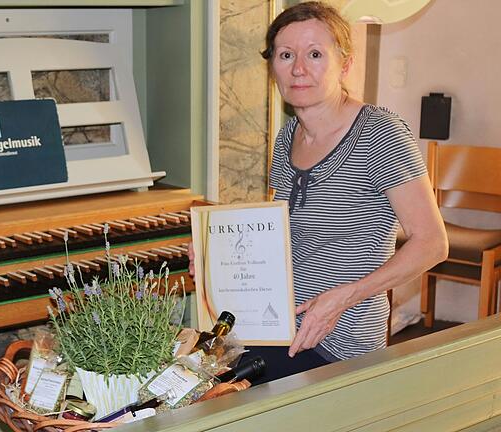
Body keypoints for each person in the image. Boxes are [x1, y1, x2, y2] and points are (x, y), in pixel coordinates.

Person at [191, 1, 448, 384]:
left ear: (344, 64)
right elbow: (281, 235)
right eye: (285, 55)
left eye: (314, 54)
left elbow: (432, 243)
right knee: (182, 384)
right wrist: (219, 260)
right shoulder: (287, 136)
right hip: (276, 326)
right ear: (272, 67)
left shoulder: (381, 135)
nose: (298, 68)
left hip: (338, 341)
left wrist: (342, 298)